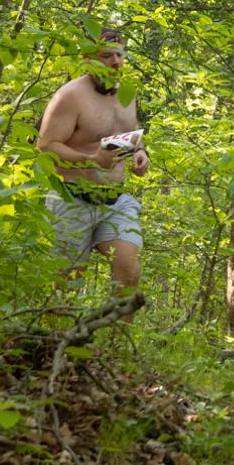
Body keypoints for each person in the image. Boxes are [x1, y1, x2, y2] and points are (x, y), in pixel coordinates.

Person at [36, 28, 150, 294]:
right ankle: (59, 322)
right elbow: (45, 147)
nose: (116, 62)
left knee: (129, 272)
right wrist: (91, 160)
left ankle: (119, 323)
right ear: (88, 60)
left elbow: (132, 133)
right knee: (67, 285)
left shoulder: (127, 93)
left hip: (115, 200)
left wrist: (141, 153)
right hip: (71, 199)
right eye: (106, 56)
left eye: (119, 55)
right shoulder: (70, 96)